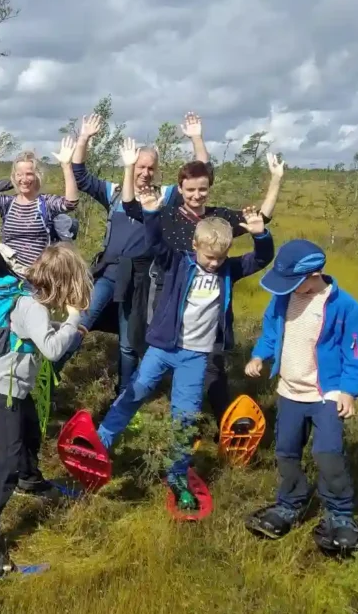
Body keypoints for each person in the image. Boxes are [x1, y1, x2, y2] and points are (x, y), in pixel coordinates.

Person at [94, 139, 275, 514]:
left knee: (185, 415)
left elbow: (261, 258)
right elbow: (155, 240)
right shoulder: (179, 262)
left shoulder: (227, 268)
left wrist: (260, 233)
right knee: (135, 392)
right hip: (162, 347)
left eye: (218, 258)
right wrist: (151, 213)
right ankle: (102, 442)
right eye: (208, 257)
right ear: (195, 246)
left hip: (195, 355)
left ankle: (177, 473)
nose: (212, 264)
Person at [0, 244, 91, 575]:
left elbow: (32, 336)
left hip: (10, 384)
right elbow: (50, 349)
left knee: (31, 429)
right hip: (6, 387)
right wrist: (74, 319)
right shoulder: (33, 306)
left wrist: (67, 329)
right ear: (63, 283)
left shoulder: (25, 293)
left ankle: (30, 480)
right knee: (7, 457)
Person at [244, 240, 358, 555]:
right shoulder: (283, 298)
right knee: (286, 452)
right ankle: (290, 503)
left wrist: (349, 392)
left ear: (316, 274)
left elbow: (355, 354)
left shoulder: (345, 307)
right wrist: (260, 356)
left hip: (326, 394)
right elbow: (271, 334)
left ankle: (339, 513)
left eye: (294, 283)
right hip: (289, 391)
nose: (287, 289)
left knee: (328, 454)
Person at [69, 111, 207, 393]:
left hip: (142, 280)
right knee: (79, 324)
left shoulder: (165, 197)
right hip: (108, 273)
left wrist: (196, 138)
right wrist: (83, 138)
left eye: (150, 168)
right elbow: (80, 175)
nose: (145, 173)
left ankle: (125, 396)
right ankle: (53, 372)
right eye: (140, 167)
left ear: (157, 170)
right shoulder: (115, 192)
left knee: (129, 343)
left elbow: (201, 173)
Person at [150, 151, 285, 429]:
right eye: (190, 189)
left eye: (202, 189)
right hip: (172, 298)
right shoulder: (169, 216)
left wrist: (276, 180)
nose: (197, 195)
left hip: (212, 298)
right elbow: (147, 232)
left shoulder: (219, 219)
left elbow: (260, 220)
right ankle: (177, 414)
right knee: (164, 361)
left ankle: (223, 424)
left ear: (209, 188)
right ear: (180, 189)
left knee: (212, 366)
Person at [0, 136, 80, 277]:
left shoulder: (45, 203)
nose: (24, 179)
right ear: (14, 177)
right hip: (9, 274)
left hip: (38, 275)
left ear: (37, 176)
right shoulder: (6, 203)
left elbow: (71, 202)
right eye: (19, 174)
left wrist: (66, 166)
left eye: (29, 174)